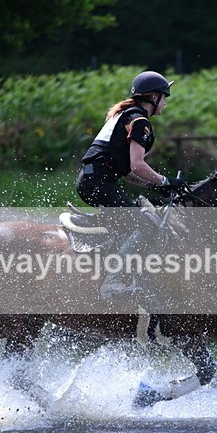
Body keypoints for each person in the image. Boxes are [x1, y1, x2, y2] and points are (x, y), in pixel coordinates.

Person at [77, 70, 187, 303]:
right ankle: (114, 280)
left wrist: (154, 187)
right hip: (98, 182)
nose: (165, 104)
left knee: (130, 221)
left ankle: (127, 274)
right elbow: (138, 165)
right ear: (154, 97)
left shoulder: (126, 115)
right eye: (164, 98)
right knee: (144, 224)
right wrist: (165, 181)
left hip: (91, 180)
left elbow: (127, 171)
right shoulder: (139, 121)